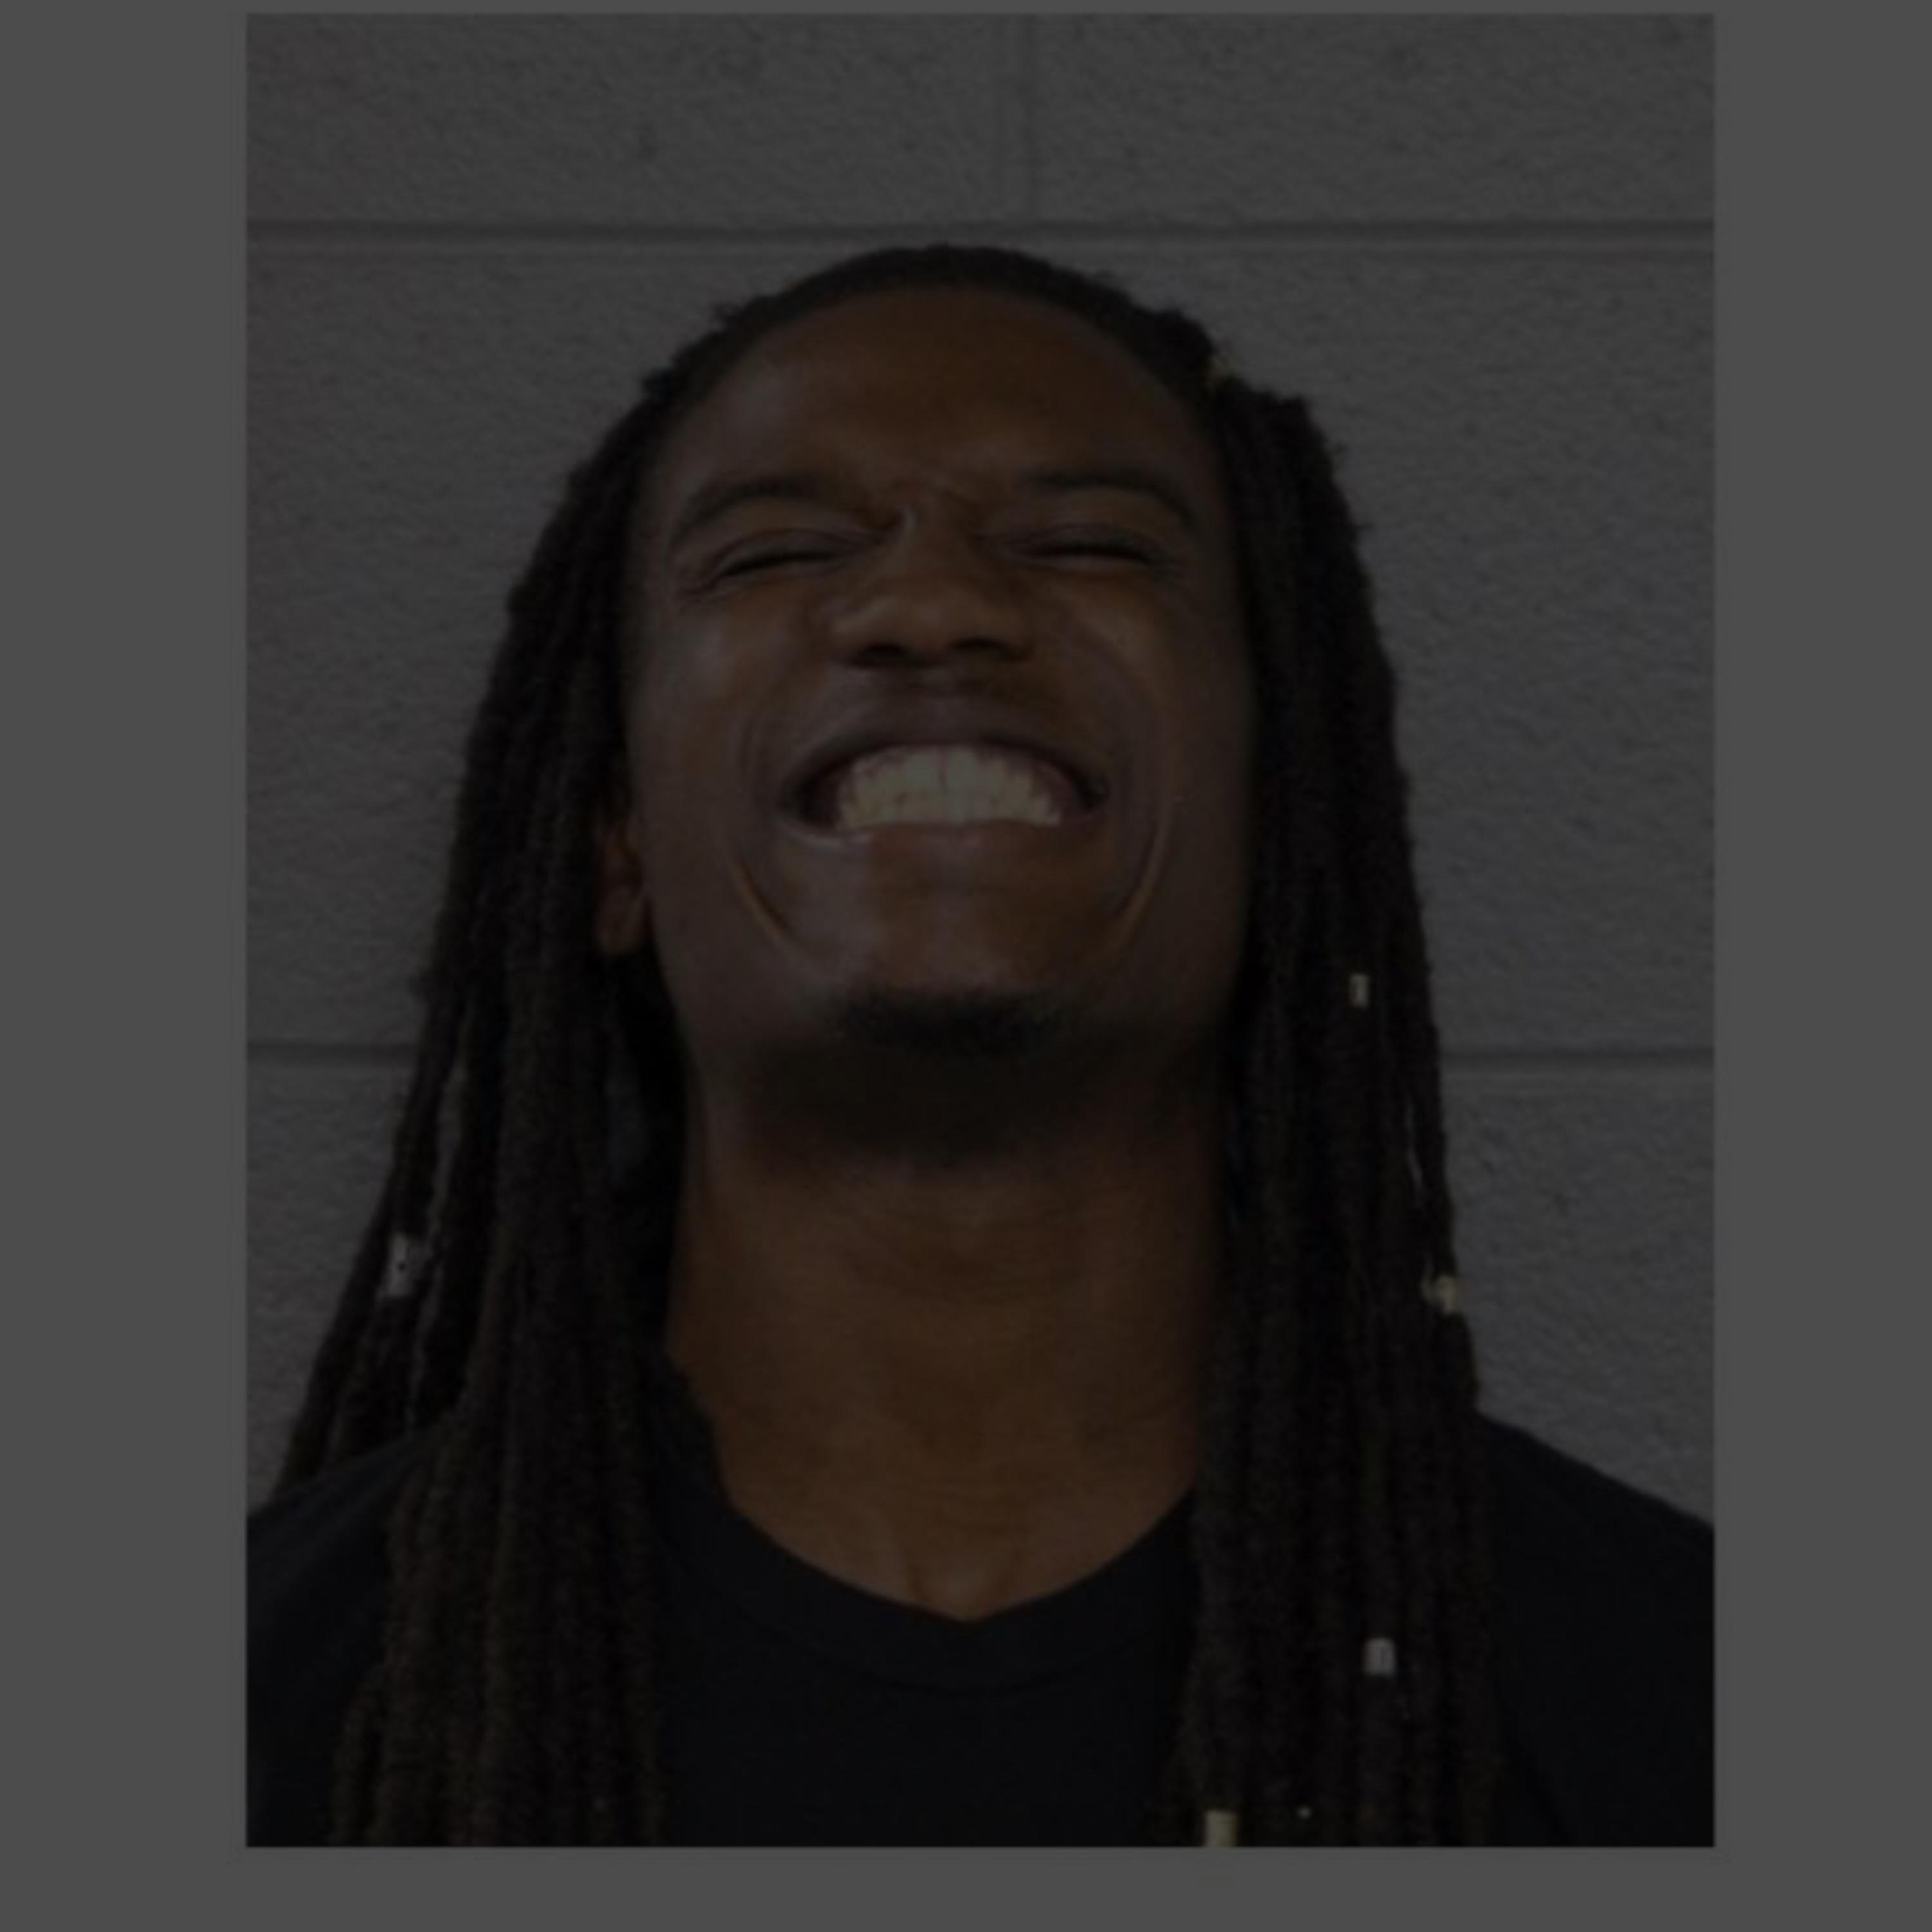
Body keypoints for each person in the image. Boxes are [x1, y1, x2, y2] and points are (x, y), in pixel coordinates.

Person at [248, 244, 1712, 1848]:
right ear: (614, 846)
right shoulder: (268, 1698)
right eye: (774, 552)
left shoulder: (1684, 1700)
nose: (930, 604)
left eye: (1089, 543)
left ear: (1278, 809)